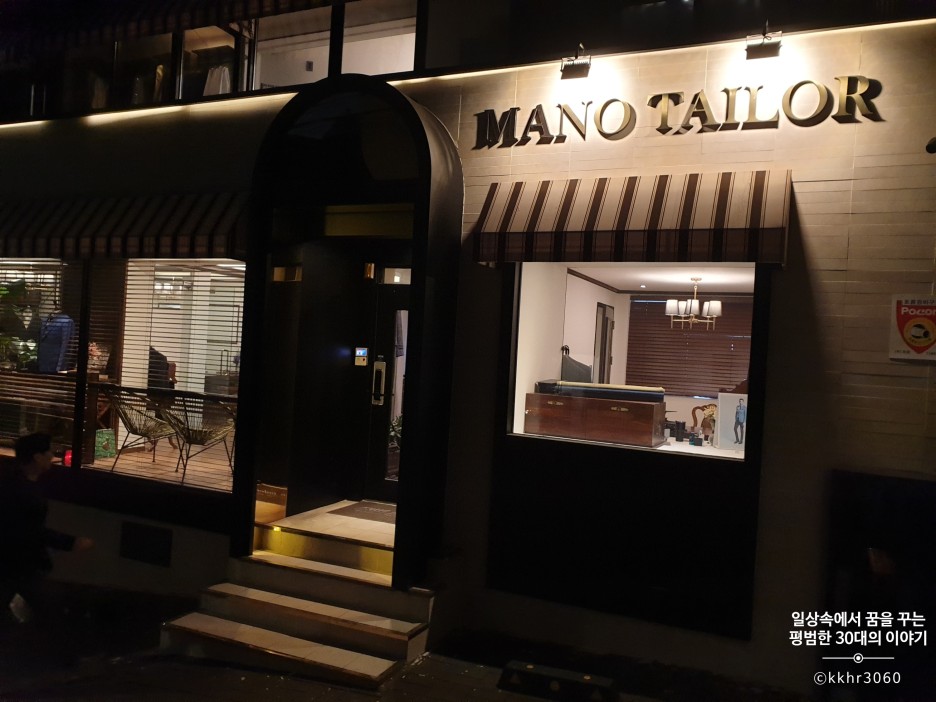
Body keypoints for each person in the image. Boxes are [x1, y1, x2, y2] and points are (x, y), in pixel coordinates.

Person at [0, 433, 93, 624]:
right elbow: (31, 530)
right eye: (48, 452)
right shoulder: (24, 492)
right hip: (19, 562)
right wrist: (70, 543)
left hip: (14, 561)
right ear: (37, 457)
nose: (52, 456)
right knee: (51, 609)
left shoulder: (14, 482)